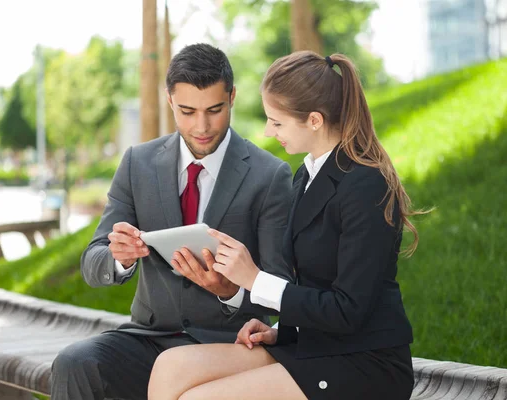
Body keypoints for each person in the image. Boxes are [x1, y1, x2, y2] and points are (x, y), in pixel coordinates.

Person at [147, 51, 423, 400]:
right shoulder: (306, 175)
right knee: (170, 366)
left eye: (276, 122)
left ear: (314, 121)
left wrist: (254, 279)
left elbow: (348, 310)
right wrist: (282, 330)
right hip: (312, 347)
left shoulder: (365, 185)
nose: (267, 130)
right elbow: (313, 282)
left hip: (364, 364)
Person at [50, 43, 294, 400]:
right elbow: (93, 263)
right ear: (169, 101)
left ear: (232, 97)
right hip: (149, 337)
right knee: (75, 362)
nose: (202, 126)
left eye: (214, 110)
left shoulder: (269, 175)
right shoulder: (138, 163)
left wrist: (230, 291)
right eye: (187, 111)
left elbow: (281, 284)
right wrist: (121, 257)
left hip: (227, 344)